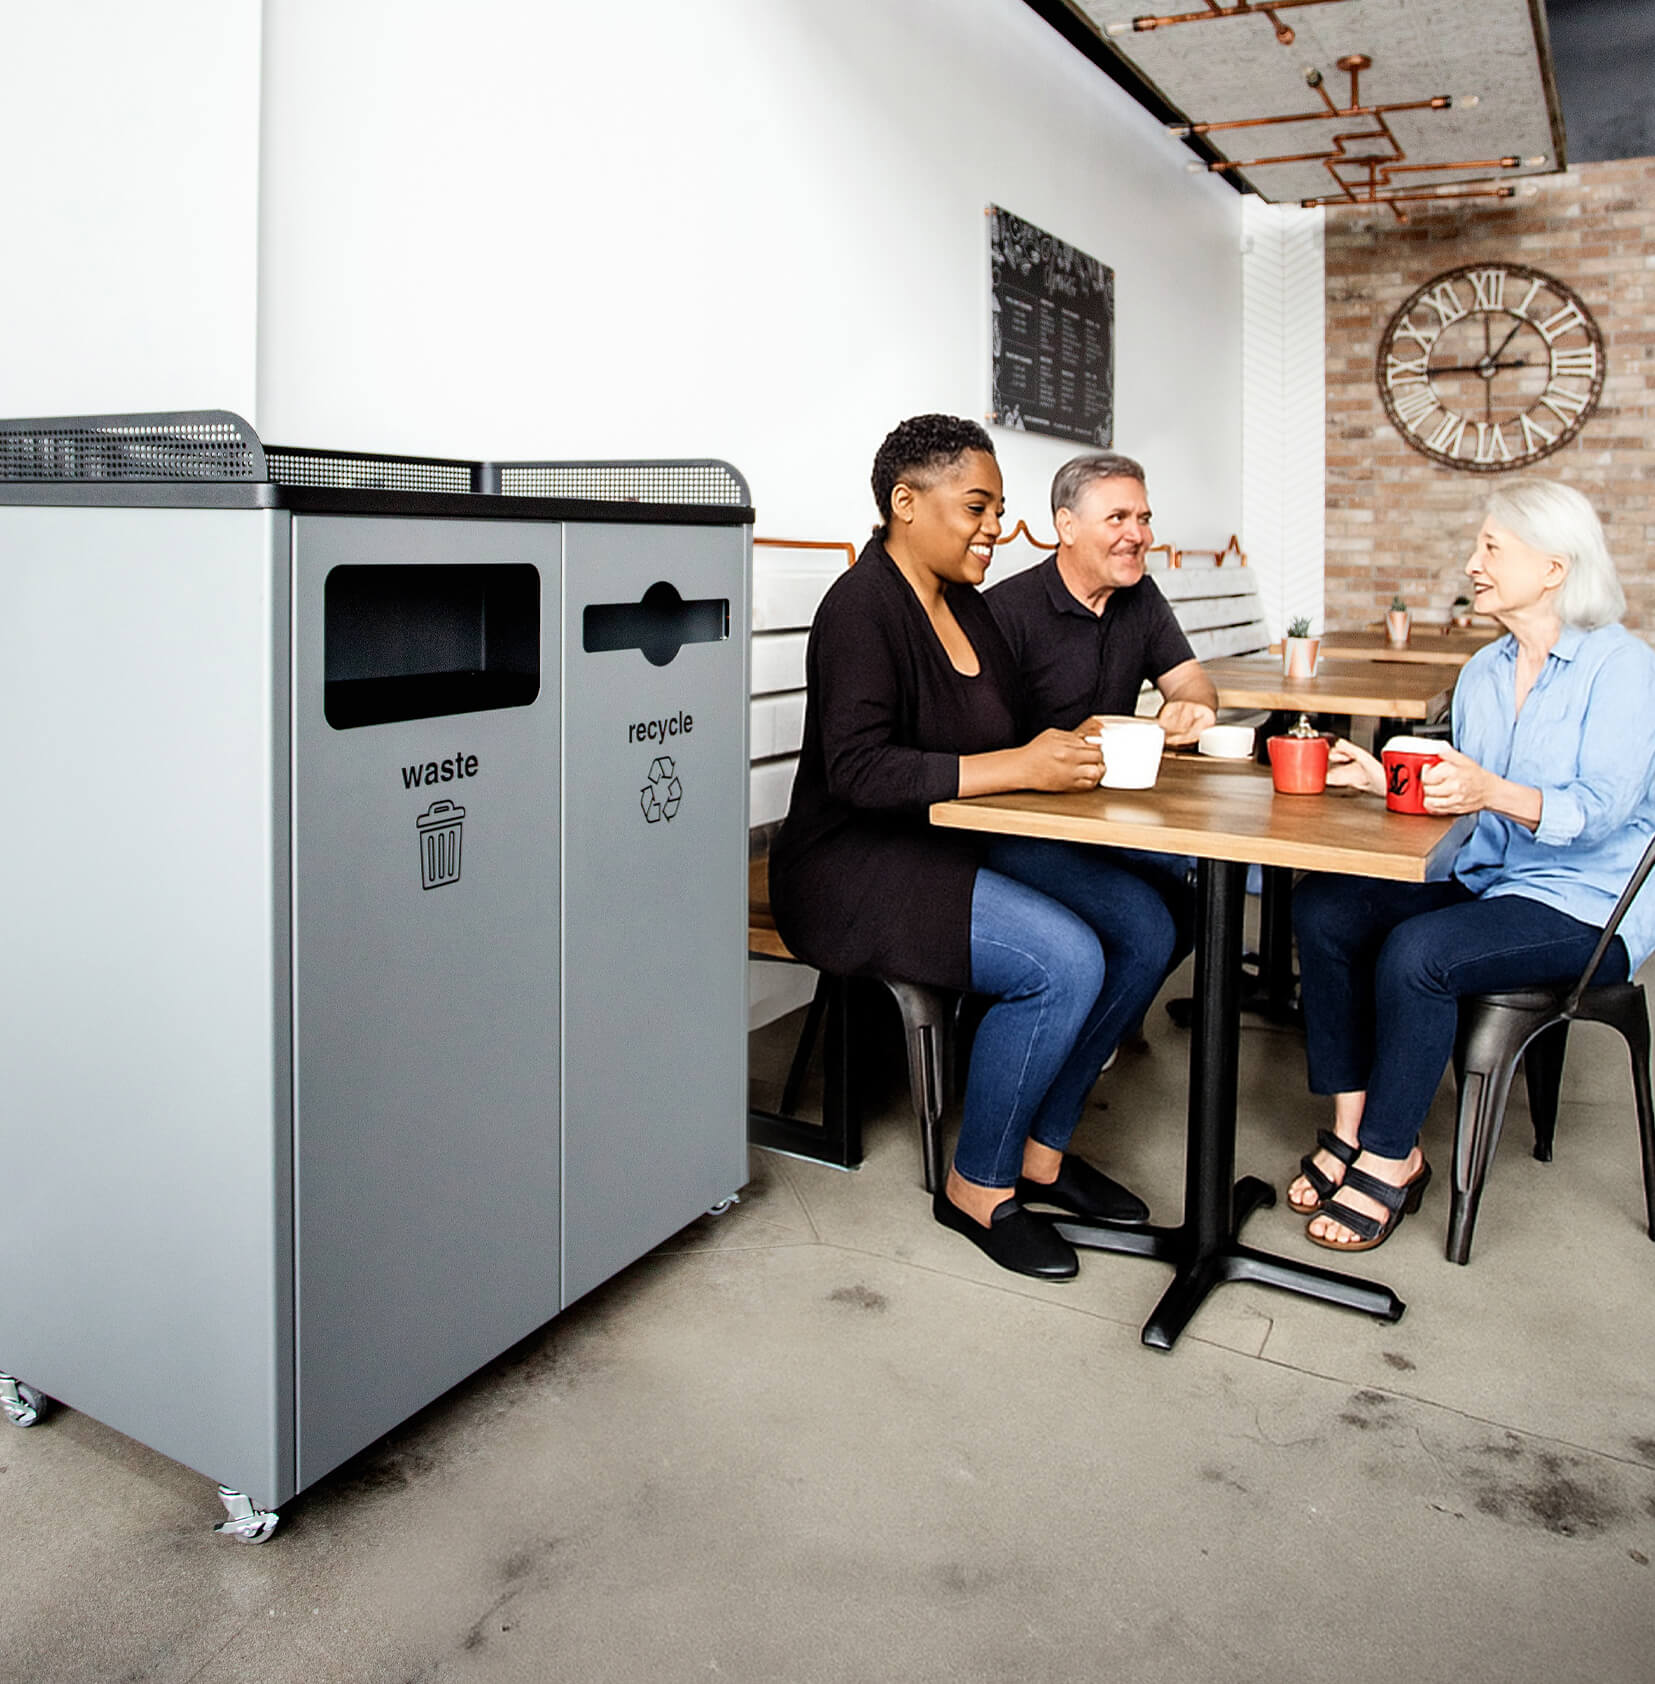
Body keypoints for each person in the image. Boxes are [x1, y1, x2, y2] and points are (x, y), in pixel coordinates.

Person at [769, 416, 1172, 1281]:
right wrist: (1019, 762)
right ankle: (977, 1186)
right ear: (904, 504)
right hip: (852, 864)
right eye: (977, 506)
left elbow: (1005, 735)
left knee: (1142, 924)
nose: (995, 526)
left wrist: (1067, 737)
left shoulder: (970, 608)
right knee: (1060, 960)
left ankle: (1041, 1153)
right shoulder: (860, 608)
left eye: (999, 508)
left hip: (951, 839)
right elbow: (858, 771)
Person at [1288, 478, 1655, 1253]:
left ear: (1553, 568)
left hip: (1588, 903)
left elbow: (1601, 809)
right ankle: (1352, 1129)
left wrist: (1488, 787)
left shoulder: (1623, 668)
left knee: (1420, 953)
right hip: (1490, 875)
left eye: (1490, 547)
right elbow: (1466, 796)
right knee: (1323, 907)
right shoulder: (1483, 670)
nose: (1471, 563)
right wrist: (1378, 780)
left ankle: (1393, 1158)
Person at [984, 451, 1219, 981]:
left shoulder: (1140, 597)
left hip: (1104, 815)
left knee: (1202, 903)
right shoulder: (1007, 612)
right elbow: (984, 750)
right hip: (1019, 827)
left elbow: (1190, 680)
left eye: (1144, 518)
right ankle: (1090, 1031)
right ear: (1066, 526)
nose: (1137, 534)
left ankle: (1111, 1013)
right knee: (1147, 927)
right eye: (1118, 518)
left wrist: (1193, 706)